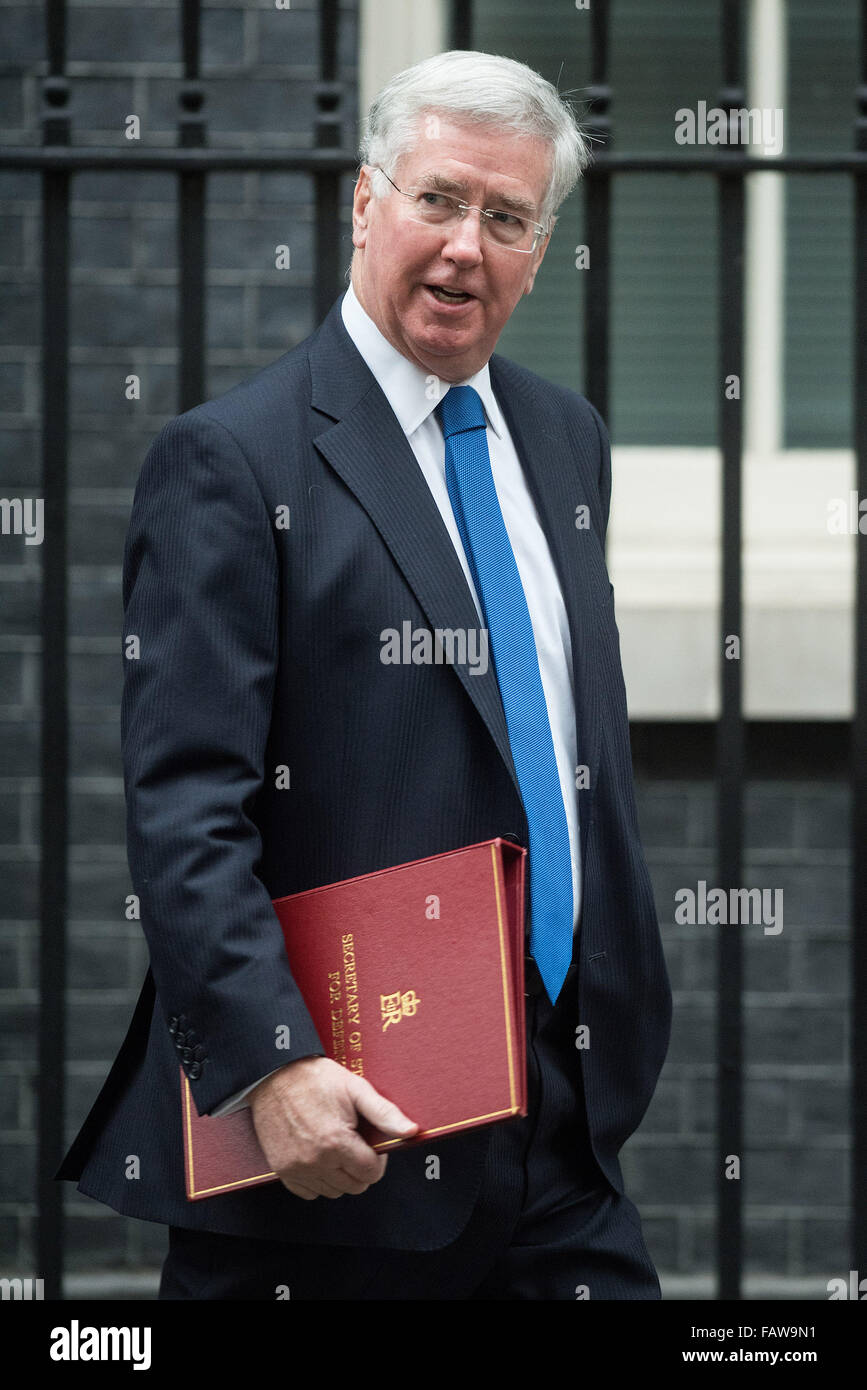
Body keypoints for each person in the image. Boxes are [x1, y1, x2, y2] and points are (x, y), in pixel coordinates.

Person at [57, 49, 672, 1300]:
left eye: (506, 218)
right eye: (438, 199)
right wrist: (271, 1069)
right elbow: (186, 812)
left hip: (560, 1138)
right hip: (336, 1152)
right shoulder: (232, 462)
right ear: (364, 202)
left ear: (540, 247)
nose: (465, 248)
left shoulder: (565, 440)